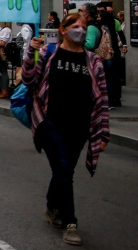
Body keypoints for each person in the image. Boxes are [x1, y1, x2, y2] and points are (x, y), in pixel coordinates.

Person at [24, 14, 109, 246]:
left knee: (64, 171)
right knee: (64, 171)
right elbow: (29, 80)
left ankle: (52, 206)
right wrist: (30, 53)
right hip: (51, 124)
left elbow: (102, 97)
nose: (80, 30)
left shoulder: (93, 61)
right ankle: (70, 223)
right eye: (75, 26)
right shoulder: (48, 53)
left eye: (84, 26)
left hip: (80, 127)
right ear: (63, 29)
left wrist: (103, 132)